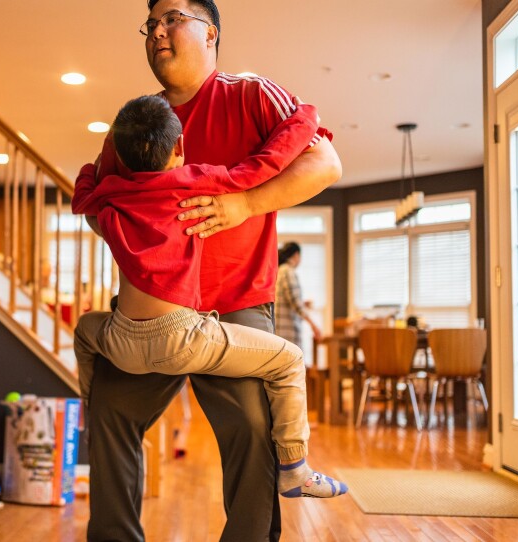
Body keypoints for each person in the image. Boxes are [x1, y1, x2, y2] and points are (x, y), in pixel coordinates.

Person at [83, 1, 342, 540]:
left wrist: (244, 205)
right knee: (109, 409)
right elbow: (101, 206)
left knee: (251, 426)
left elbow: (325, 164)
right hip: (155, 313)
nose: (157, 30)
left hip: (238, 302)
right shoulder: (138, 123)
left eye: (172, 17)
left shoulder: (251, 93)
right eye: (150, 23)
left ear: (211, 32)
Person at [275, 242, 323, 350]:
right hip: (287, 332)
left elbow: (287, 298)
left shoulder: (280, 270)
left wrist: (303, 302)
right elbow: (295, 302)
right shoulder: (288, 271)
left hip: (280, 331)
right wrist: (313, 325)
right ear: (296, 255)